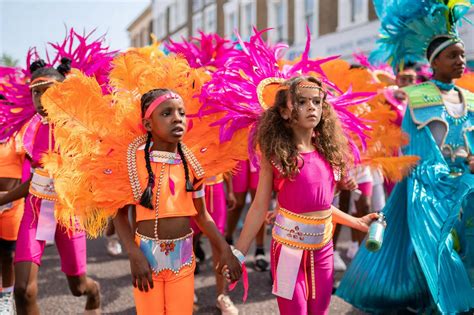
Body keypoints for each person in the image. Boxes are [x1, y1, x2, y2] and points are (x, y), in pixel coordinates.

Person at [337, 1, 474, 313]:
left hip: (466, 184)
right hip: (429, 186)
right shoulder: (418, 97)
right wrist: (442, 177)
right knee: (434, 246)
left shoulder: (469, 97)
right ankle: (441, 301)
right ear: (434, 62)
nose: (460, 60)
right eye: (452, 55)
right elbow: (415, 149)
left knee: (465, 244)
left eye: (462, 54)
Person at [234, 76, 378, 315]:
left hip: (323, 250)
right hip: (287, 253)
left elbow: (320, 209)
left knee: (319, 311)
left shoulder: (329, 154)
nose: (312, 107)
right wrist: (238, 252)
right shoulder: (276, 157)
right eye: (302, 101)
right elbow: (258, 207)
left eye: (317, 102)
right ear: (284, 112)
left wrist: (357, 222)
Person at [0, 59, 100, 315]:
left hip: (67, 214)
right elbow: (37, 178)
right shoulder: (29, 130)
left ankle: (94, 292)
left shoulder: (79, 129)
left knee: (77, 287)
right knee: (24, 291)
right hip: (34, 212)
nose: (42, 98)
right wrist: (6, 198)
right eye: (36, 92)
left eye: (50, 91)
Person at [192, 173, 239, 314]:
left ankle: (222, 296)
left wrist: (230, 190)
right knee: (188, 242)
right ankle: (187, 290)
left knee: (219, 243)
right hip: (189, 188)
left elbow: (225, 158)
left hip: (215, 186)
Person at [0, 93, 25, 314]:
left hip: (11, 205)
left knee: (8, 255)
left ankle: (6, 296)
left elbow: (38, 160)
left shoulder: (18, 135)